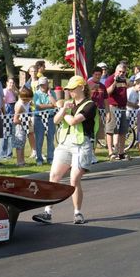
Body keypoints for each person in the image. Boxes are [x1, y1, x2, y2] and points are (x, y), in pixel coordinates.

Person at [32, 76, 97, 225]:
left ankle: (77, 213)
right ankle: (47, 212)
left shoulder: (90, 105)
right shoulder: (69, 104)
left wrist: (64, 111)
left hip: (81, 144)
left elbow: (74, 121)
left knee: (74, 179)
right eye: (69, 89)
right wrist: (62, 109)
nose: (70, 92)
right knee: (54, 176)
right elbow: (55, 121)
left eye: (73, 89)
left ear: (81, 88)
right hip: (64, 143)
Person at [104, 63, 129, 160]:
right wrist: (114, 83)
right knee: (111, 130)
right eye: (120, 72)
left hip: (123, 107)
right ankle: (111, 152)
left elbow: (129, 87)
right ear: (116, 71)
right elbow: (107, 92)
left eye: (123, 72)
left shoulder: (124, 80)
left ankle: (121, 152)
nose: (121, 73)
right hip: (113, 107)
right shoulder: (110, 79)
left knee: (122, 130)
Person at [32, 77, 56, 165]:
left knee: (50, 139)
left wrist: (49, 95)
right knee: (39, 139)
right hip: (39, 118)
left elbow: (55, 104)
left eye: (44, 84)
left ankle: (50, 158)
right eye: (41, 85)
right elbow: (38, 106)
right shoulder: (36, 94)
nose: (43, 86)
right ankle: (39, 159)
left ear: (47, 84)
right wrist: (50, 105)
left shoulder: (52, 93)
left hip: (50, 117)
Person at [12, 87, 33, 167]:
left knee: (22, 144)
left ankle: (22, 161)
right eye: (27, 99)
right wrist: (25, 121)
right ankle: (19, 162)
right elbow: (15, 120)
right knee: (19, 145)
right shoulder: (19, 105)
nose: (29, 101)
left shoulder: (26, 102)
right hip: (19, 127)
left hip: (24, 126)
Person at [1, 78, 18, 159]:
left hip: (12, 111)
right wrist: (4, 114)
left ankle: (9, 153)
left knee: (11, 134)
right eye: (10, 82)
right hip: (7, 112)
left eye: (13, 83)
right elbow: (3, 103)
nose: (12, 84)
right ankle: (4, 153)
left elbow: (18, 94)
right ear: (7, 83)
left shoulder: (13, 92)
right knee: (6, 134)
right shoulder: (5, 91)